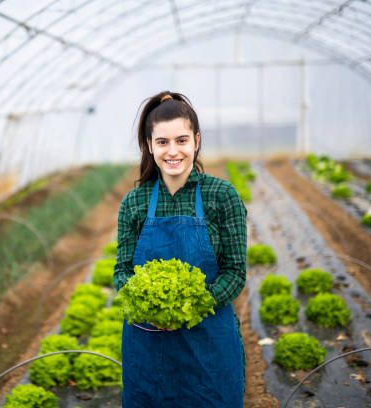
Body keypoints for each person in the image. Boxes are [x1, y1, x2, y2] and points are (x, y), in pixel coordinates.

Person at [113, 91, 247, 407]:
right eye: (162, 142)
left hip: (209, 344)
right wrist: (149, 308)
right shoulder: (134, 202)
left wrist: (193, 306)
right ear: (149, 146)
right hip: (149, 345)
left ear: (196, 141)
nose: (173, 151)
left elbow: (235, 272)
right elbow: (122, 271)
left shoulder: (222, 196)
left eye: (182, 140)